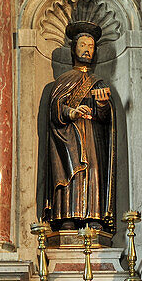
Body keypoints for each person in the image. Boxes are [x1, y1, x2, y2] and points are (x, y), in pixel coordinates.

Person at [43, 21, 116, 235]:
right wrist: (71, 112)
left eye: (91, 46)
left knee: (92, 173)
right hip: (68, 140)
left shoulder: (98, 82)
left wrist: (102, 105)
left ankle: (94, 216)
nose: (87, 49)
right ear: (74, 48)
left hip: (92, 139)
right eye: (83, 45)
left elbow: (105, 119)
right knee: (71, 176)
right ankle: (66, 217)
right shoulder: (62, 81)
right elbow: (55, 111)